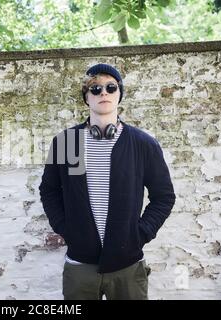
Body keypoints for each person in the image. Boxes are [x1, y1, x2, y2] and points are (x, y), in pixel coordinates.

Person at [39, 63, 176, 300]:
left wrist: (141, 234)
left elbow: (164, 197)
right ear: (86, 98)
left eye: (111, 87)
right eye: (95, 88)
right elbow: (49, 191)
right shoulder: (67, 143)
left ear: (119, 94)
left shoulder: (142, 144)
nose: (103, 92)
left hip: (128, 266)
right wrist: (65, 229)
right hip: (80, 265)